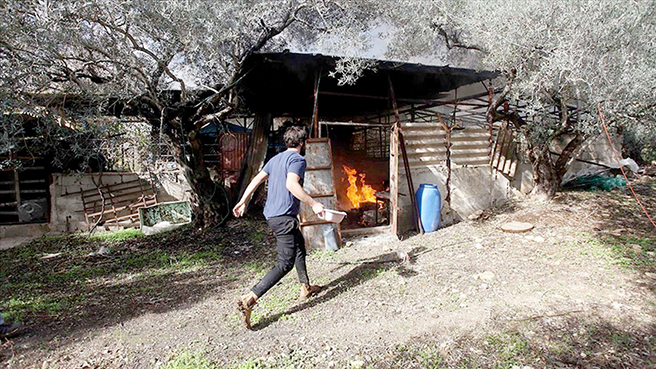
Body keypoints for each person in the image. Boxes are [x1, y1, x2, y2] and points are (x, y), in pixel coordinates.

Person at [232, 124, 324, 329]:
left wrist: (243, 200)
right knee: (285, 264)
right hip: (283, 218)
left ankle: (305, 287)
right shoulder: (298, 159)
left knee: (299, 245)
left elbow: (257, 178)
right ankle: (250, 298)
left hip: (274, 216)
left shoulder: (275, 159)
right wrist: (314, 203)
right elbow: (291, 185)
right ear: (302, 143)